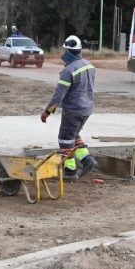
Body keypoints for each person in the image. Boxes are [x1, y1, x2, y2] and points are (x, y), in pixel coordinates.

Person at [41, 35, 97, 181]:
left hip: (73, 110)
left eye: (65, 50)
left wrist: (48, 111)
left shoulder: (68, 70)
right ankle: (87, 159)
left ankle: (70, 171)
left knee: (65, 140)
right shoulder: (89, 65)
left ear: (69, 51)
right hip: (87, 109)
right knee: (74, 135)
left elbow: (59, 95)